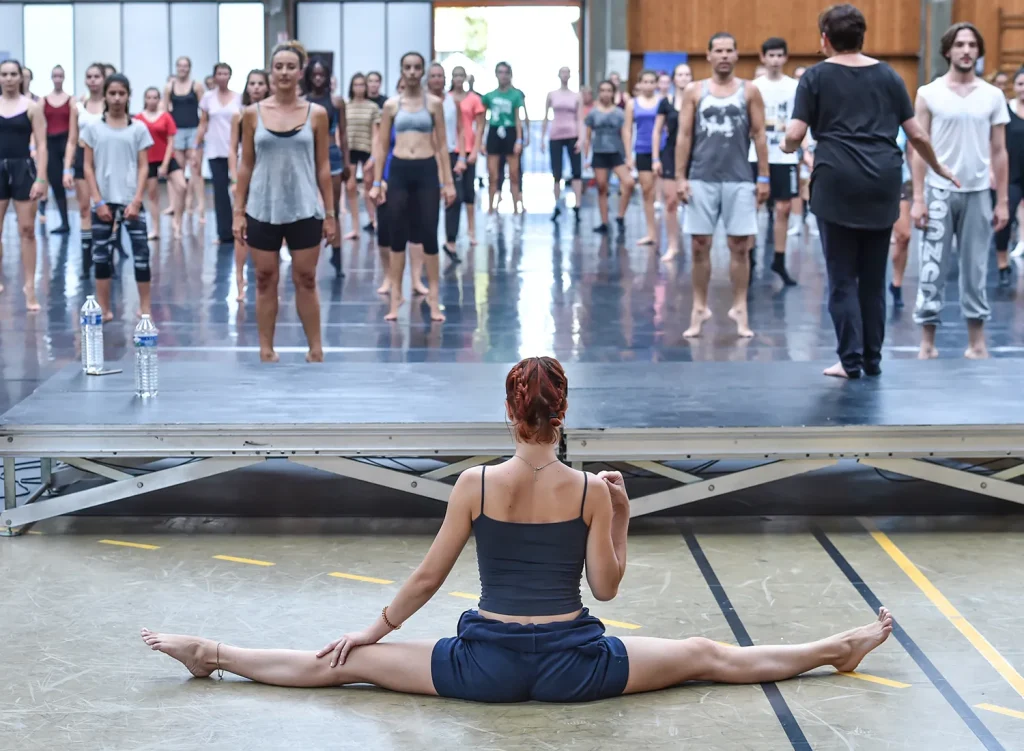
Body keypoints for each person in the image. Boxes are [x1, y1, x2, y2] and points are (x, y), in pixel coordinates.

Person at [142, 355, 896, 703]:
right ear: (562, 415)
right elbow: (605, 584)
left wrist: (370, 631)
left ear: (511, 413)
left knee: (337, 663)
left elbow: (429, 576)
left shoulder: (474, 482)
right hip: (577, 665)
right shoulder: (591, 492)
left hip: (485, 666)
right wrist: (623, 516)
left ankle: (213, 652)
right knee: (707, 654)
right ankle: (838, 646)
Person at [783, 3, 954, 379]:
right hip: (882, 182)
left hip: (837, 181)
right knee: (873, 279)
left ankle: (850, 360)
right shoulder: (890, 76)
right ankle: (873, 360)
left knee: (842, 278)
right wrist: (939, 167)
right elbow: (917, 134)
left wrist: (786, 147)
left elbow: (795, 134)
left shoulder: (814, 77)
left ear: (825, 39)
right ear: (862, 36)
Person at [233, 42, 336, 363]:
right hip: (263, 208)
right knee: (265, 280)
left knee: (305, 279)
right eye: (278, 67)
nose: (284, 73)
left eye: (291, 67)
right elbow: (245, 165)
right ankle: (266, 348)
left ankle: (315, 348)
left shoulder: (316, 114)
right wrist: (238, 211)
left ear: (301, 72)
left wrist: (330, 214)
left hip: (305, 208)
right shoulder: (252, 114)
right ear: (270, 70)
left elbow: (323, 167)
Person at [912, 22, 1008, 361]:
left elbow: (999, 150)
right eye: (959, 44)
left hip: (979, 192)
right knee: (932, 268)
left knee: (976, 269)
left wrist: (1003, 202)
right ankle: (927, 342)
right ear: (948, 51)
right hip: (938, 192)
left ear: (979, 52)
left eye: (971, 45)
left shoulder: (994, 96)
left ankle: (977, 342)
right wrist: (919, 197)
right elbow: (918, 148)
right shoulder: (928, 93)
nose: (966, 50)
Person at [675, 32, 769, 339]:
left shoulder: (749, 90)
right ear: (709, 55)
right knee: (699, 245)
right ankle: (699, 307)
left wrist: (764, 176)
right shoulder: (694, 91)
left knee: (740, 246)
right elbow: (684, 136)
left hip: (739, 177)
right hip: (702, 177)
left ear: (737, 55)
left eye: (730, 50)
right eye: (719, 50)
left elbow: (759, 135)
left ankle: (739, 306)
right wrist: (680, 176)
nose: (725, 55)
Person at [371, 52, 456, 323]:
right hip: (399, 171)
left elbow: (442, 144)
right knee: (397, 236)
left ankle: (433, 299)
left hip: (426, 170)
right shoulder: (391, 106)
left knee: (429, 234)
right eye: (407, 67)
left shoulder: (433, 104)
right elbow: (382, 145)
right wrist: (376, 181)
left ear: (422, 72)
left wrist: (448, 182)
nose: (411, 72)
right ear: (401, 70)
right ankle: (396, 300)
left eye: (416, 67)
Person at [81, 73, 153, 322]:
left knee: (141, 254)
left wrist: (136, 199)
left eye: (121, 93)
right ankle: (104, 307)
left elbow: (144, 166)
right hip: (103, 201)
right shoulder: (93, 128)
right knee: (101, 256)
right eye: (112, 93)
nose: (117, 98)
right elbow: (87, 167)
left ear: (128, 95)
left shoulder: (139, 128)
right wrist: (98, 201)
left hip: (131, 200)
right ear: (105, 95)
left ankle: (145, 306)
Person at [749, 38, 800, 286]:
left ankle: (778, 259)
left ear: (785, 58)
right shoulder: (753, 87)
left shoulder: (794, 87)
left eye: (780, 55)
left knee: (784, 208)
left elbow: (801, 119)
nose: (775, 60)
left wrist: (804, 148)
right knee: (751, 206)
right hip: (755, 155)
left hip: (784, 155)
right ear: (763, 57)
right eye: (771, 55)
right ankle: (748, 257)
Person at [0, 59, 47, 307]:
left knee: (27, 231)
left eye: (12, 74)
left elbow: (42, 145)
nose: (8, 78)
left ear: (21, 77)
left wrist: (40, 178)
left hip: (23, 169)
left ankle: (29, 286)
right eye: (4, 74)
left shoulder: (32, 107)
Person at [304, 58, 350, 276]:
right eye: (315, 74)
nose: (318, 78)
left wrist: (347, 161)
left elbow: (343, 133)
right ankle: (308, 254)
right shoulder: (303, 101)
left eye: (322, 74)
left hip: (332, 154)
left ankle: (338, 257)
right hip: (308, 156)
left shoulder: (337, 102)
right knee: (308, 210)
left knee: (332, 209)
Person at [228, 69, 269, 302]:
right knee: (241, 229)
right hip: (247, 175)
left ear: (266, 87)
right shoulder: (240, 115)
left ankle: (268, 282)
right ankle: (240, 282)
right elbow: (232, 149)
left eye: (260, 83)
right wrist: (235, 179)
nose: (255, 87)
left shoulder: (273, 114)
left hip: (268, 176)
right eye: (252, 83)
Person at [196, 62, 241, 245]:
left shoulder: (238, 98)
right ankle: (224, 233)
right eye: (219, 73)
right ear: (214, 76)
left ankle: (242, 227)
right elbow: (203, 123)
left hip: (235, 148)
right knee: (220, 191)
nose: (222, 76)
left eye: (226, 73)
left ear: (230, 76)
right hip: (215, 149)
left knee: (239, 189)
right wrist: (195, 146)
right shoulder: (208, 98)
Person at [582, 80, 634, 235]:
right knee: (602, 187)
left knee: (629, 182)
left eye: (609, 90)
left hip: (616, 153)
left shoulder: (619, 112)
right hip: (599, 153)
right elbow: (588, 135)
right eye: (603, 90)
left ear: (613, 93)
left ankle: (620, 216)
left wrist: (629, 156)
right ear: (599, 92)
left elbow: (625, 133)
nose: (606, 93)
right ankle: (604, 222)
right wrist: (586, 157)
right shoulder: (593, 112)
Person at [652, 63, 691, 261]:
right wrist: (655, 158)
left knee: (693, 201)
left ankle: (696, 244)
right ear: (674, 79)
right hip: (670, 154)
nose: (684, 78)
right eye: (680, 75)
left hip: (693, 155)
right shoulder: (666, 102)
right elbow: (657, 131)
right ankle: (673, 245)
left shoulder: (698, 101)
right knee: (670, 202)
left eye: (687, 74)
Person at [427, 62, 466, 263]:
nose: (437, 79)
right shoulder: (422, 101)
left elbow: (460, 129)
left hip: (450, 154)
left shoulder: (452, 101)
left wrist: (461, 157)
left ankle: (451, 241)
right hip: (427, 156)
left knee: (455, 198)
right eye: (433, 76)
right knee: (430, 200)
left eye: (440, 76)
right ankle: (428, 243)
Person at [136, 87, 186, 240]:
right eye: (149, 97)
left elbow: (171, 141)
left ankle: (177, 221)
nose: (152, 100)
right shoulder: (138, 118)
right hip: (148, 160)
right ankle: (156, 229)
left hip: (166, 158)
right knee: (153, 196)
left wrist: (164, 164)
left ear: (159, 100)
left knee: (182, 187)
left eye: (155, 97)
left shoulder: (165, 117)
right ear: (145, 99)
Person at [163, 57, 206, 228]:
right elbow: (165, 112)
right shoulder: (169, 87)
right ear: (176, 68)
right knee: (178, 172)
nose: (183, 69)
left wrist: (200, 135)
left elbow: (204, 112)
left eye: (185, 66)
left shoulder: (196, 86)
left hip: (193, 129)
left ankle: (200, 208)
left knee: (196, 169)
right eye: (180, 66)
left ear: (189, 68)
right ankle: (176, 208)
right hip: (177, 131)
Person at [481, 62, 524, 223]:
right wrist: (483, 141)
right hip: (494, 131)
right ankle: (491, 208)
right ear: (496, 74)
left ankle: (515, 210)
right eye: (500, 72)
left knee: (513, 173)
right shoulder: (489, 96)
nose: (503, 75)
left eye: (506, 72)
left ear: (510, 75)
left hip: (510, 132)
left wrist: (519, 139)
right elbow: (483, 120)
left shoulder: (515, 95)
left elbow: (518, 119)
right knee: (493, 174)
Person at [994, 67, 1024, 284]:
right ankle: (1002, 263)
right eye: (1021, 84)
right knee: (1005, 215)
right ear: (1015, 86)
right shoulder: (1005, 110)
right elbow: (993, 142)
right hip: (1012, 173)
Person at [542, 66, 583, 223]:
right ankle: (557, 205)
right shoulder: (552, 95)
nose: (565, 75)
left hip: (572, 134)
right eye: (562, 73)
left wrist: (580, 138)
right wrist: (543, 139)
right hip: (556, 135)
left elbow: (580, 118)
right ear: (559, 75)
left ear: (570, 76)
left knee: (576, 172)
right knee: (556, 173)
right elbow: (546, 117)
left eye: (567, 73)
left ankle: (577, 205)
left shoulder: (576, 96)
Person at [75, 63, 106, 273]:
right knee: (85, 208)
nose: (93, 80)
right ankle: (86, 259)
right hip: (81, 157)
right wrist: (67, 169)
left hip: (105, 159)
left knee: (106, 208)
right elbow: (71, 138)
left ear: (103, 78)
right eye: (89, 76)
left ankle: (106, 254)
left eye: (97, 76)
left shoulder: (112, 102)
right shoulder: (78, 105)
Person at [625, 70, 661, 246]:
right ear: (639, 84)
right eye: (645, 82)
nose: (648, 85)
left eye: (651, 81)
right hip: (642, 149)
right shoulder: (632, 103)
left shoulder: (663, 101)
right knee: (647, 191)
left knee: (665, 193)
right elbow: (627, 129)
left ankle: (669, 232)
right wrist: (628, 155)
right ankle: (651, 233)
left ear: (656, 84)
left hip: (662, 150)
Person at [451, 66, 484, 247]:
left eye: (461, 75)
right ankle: (451, 232)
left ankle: (471, 230)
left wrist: (476, 149)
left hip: (469, 147)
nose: (458, 78)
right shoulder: (447, 99)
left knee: (469, 191)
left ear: (465, 78)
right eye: (455, 75)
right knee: (453, 191)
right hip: (451, 147)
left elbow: (479, 126)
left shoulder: (474, 99)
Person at [344, 73, 381, 237]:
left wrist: (373, 156)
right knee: (351, 187)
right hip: (350, 150)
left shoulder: (372, 107)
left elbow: (376, 134)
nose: (359, 88)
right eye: (356, 84)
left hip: (366, 149)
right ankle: (355, 228)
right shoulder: (346, 106)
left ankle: (375, 221)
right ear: (351, 87)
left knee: (369, 186)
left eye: (361, 84)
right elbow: (342, 132)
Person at [42, 65, 76, 235]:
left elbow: (73, 125)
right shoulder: (44, 100)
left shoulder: (71, 100)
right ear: (51, 77)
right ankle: (64, 222)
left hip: (67, 140)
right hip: (50, 143)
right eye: (55, 76)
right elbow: (40, 126)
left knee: (81, 179)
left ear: (64, 78)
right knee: (56, 183)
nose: (57, 79)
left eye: (60, 76)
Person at [889, 127, 913, 308]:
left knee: (904, 235)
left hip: (898, 179)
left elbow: (912, 152)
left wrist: (920, 191)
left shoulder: (899, 116)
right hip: (867, 178)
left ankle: (896, 284)